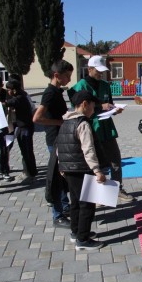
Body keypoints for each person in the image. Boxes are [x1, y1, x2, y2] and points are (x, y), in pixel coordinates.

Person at [68, 55, 133, 202]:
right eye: (98, 71)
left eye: (102, 71)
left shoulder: (105, 85)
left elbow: (109, 103)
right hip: (89, 129)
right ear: (90, 69)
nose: (101, 74)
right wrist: (99, 106)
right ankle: (95, 197)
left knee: (115, 160)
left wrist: (114, 109)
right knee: (93, 164)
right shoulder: (80, 86)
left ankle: (117, 188)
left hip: (106, 128)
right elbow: (77, 109)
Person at [57, 90, 106, 251]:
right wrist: (97, 170)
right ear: (85, 104)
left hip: (68, 169)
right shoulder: (83, 123)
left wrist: (61, 166)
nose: (94, 110)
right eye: (93, 106)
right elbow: (88, 150)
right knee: (87, 204)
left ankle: (75, 232)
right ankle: (83, 239)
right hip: (81, 168)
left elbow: (59, 147)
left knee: (75, 203)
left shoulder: (66, 121)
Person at [33, 60, 73, 228]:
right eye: (67, 76)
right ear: (57, 75)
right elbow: (37, 118)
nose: (69, 80)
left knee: (62, 177)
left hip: (60, 139)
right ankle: (57, 215)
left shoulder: (57, 91)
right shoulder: (50, 93)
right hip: (54, 140)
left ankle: (64, 206)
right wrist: (60, 122)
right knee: (56, 179)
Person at [4, 80, 37, 183]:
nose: (8, 92)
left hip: (25, 128)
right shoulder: (22, 95)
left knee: (26, 152)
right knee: (27, 151)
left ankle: (30, 174)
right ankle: (30, 172)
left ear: (14, 90)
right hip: (23, 127)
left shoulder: (19, 98)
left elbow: (5, 104)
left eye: (8, 90)